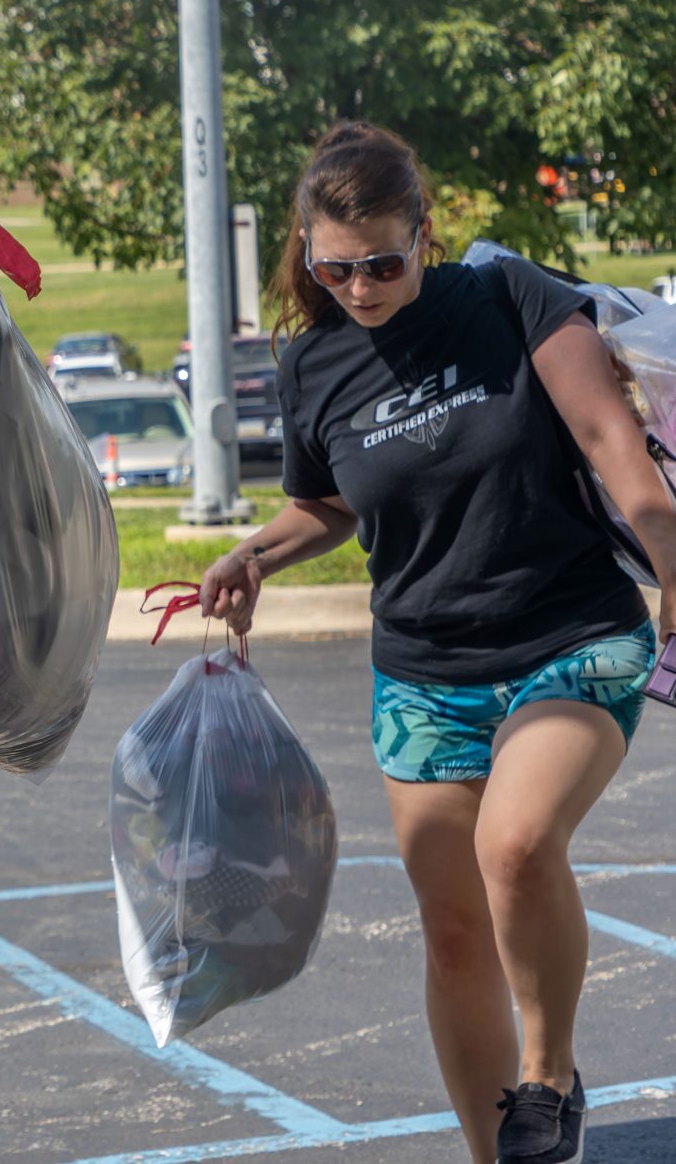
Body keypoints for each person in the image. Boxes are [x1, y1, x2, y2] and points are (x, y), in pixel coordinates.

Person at [200, 121, 675, 1164]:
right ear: (307, 249)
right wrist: (255, 557)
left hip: (569, 635)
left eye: (382, 262)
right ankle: (494, 1151)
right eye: (336, 266)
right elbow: (324, 504)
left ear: (426, 235)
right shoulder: (313, 362)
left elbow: (608, 436)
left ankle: (549, 1079)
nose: (360, 286)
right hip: (422, 672)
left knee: (512, 843)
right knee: (453, 929)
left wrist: (670, 555)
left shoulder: (511, 300)